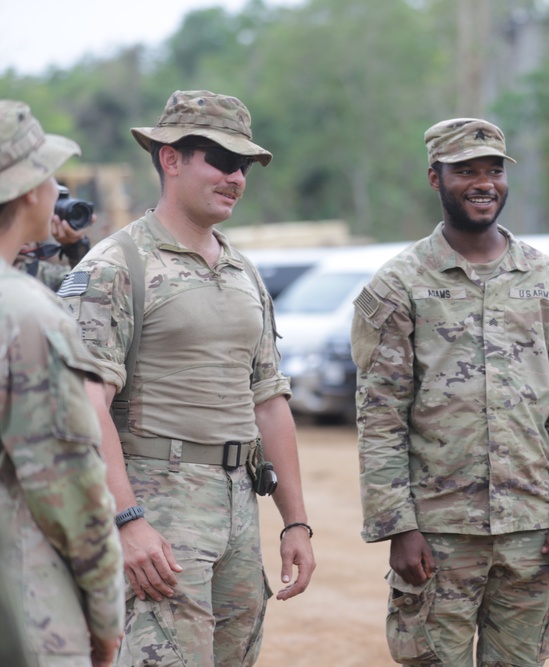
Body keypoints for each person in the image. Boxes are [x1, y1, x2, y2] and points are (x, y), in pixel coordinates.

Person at [59, 90, 316, 665]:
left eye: (243, 166)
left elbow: (269, 401)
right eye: (222, 161)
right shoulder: (116, 266)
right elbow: (84, 404)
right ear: (170, 159)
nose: (236, 178)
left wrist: (295, 522)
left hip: (237, 510)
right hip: (159, 510)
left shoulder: (242, 269)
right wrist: (127, 521)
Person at [351, 117, 549, 666]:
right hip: (439, 536)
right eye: (466, 171)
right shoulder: (400, 284)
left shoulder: (547, 280)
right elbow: (381, 416)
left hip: (529, 534)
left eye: (493, 171)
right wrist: (399, 525)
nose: (483, 182)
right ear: (435, 177)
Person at [0, 99, 125, 666]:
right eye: (50, 174)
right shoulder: (30, 316)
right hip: (25, 612)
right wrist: (105, 618)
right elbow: (69, 489)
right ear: (29, 191)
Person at [14, 207, 92, 290]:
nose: (23, 236)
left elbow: (83, 287)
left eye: (30, 229)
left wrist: (76, 248)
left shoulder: (45, 274)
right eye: (14, 228)